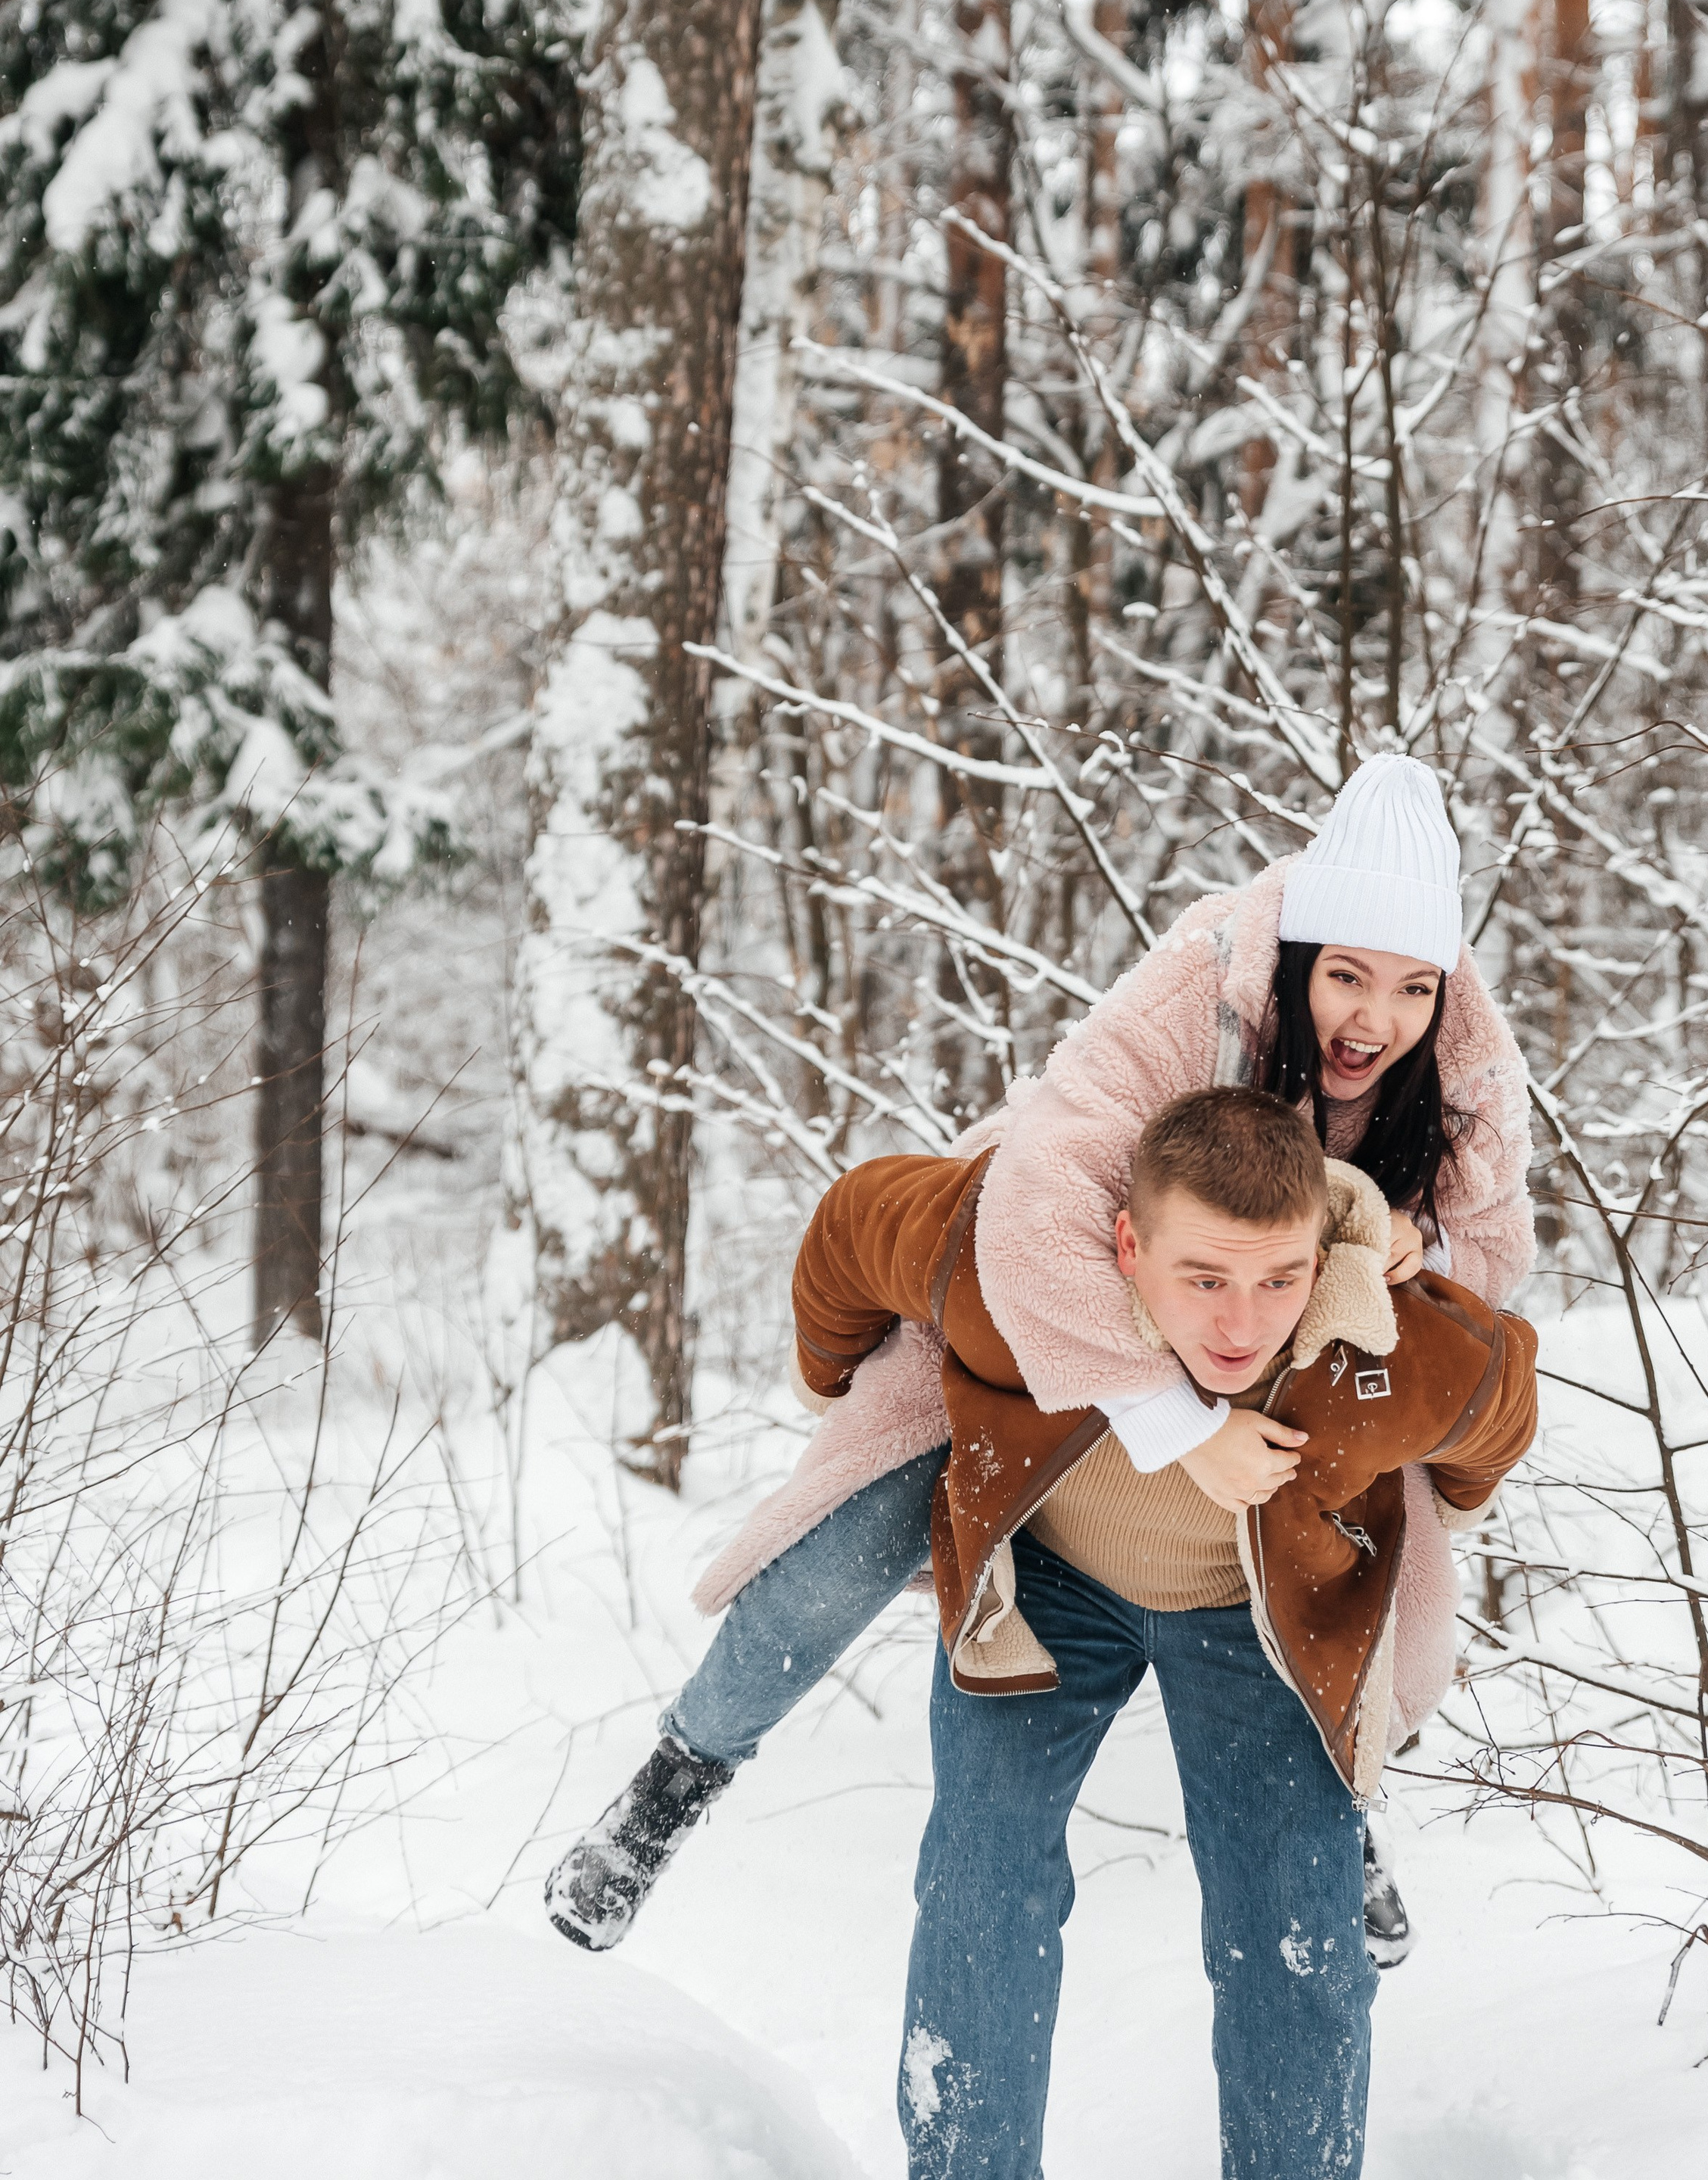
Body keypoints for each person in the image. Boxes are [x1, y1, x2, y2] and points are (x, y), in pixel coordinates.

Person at [545, 755, 1533, 1957]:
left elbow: (1494, 1258)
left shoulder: (1462, 1070)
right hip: (1072, 1308)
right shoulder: (1202, 989)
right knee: (860, 1526)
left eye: (1412, 988)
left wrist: (1414, 1242)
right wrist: (1176, 1424)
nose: (1376, 1019)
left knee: (1364, 1571)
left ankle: (1345, 1802)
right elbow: (1037, 1210)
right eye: (1345, 977)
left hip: (1286, 1352)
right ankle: (680, 1773)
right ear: (1296, 960)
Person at [800, 1089, 1535, 2179]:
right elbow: (851, 1228)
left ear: (1321, 1255)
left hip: (1259, 1627)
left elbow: (1500, 1402)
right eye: (1203, 1280)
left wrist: (1431, 1504)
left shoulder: (1385, 1342)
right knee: (981, 1882)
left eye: (1279, 1279)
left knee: (1293, 1930)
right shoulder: (1014, 1274)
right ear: (1128, 1246)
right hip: (1050, 1590)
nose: (1242, 1326)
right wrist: (849, 1396)